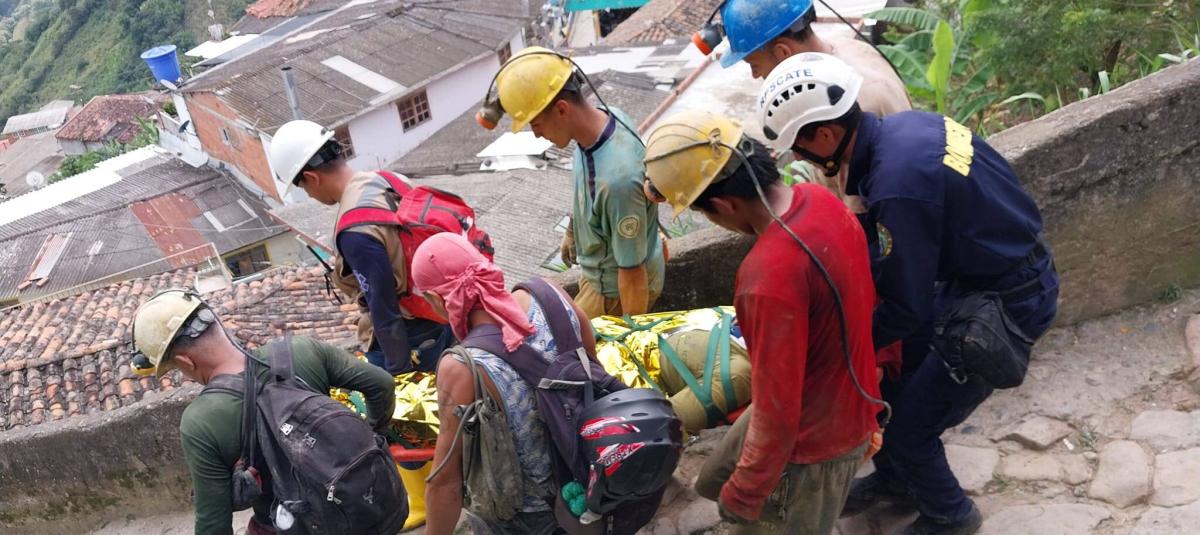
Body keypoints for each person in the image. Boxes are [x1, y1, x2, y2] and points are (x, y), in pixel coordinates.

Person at [758, 53, 1059, 535]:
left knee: (908, 428)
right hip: (983, 273)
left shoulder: (896, 184)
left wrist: (842, 347)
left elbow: (906, 307)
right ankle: (899, 483)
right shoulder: (908, 129)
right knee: (891, 390)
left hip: (1006, 303)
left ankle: (951, 516)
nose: (799, 159)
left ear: (827, 135)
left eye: (799, 146)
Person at [642, 109, 882, 534]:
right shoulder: (821, 199)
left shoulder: (767, 277)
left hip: (817, 442)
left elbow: (778, 409)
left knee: (757, 513)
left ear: (723, 205)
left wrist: (748, 491)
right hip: (837, 399)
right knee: (714, 480)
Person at [129, 288, 396, 535]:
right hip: (364, 506)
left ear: (185, 361)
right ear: (217, 323)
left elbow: (213, 524)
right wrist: (371, 433)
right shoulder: (303, 349)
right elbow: (381, 384)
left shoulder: (201, 422)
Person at [413, 232, 594, 535]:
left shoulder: (462, 366)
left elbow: (447, 482)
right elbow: (591, 367)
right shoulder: (549, 293)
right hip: (592, 472)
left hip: (533, 515)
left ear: (435, 299)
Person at [484, 46, 664, 318]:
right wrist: (573, 231)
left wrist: (631, 333)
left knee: (567, 340)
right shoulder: (604, 122)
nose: (536, 134)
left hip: (614, 293)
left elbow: (632, 273)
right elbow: (591, 195)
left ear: (561, 109)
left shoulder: (618, 181)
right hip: (604, 274)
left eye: (536, 124)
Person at [268, 119, 454, 376]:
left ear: (311, 177)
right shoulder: (391, 180)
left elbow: (383, 306)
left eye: (304, 188)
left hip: (411, 336)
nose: (309, 195)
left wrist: (399, 375)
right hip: (440, 313)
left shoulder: (355, 230)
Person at [697, 0, 910, 209]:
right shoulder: (846, 48)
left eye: (754, 64)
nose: (754, 75)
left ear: (783, 53)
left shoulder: (849, 104)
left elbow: (862, 214)